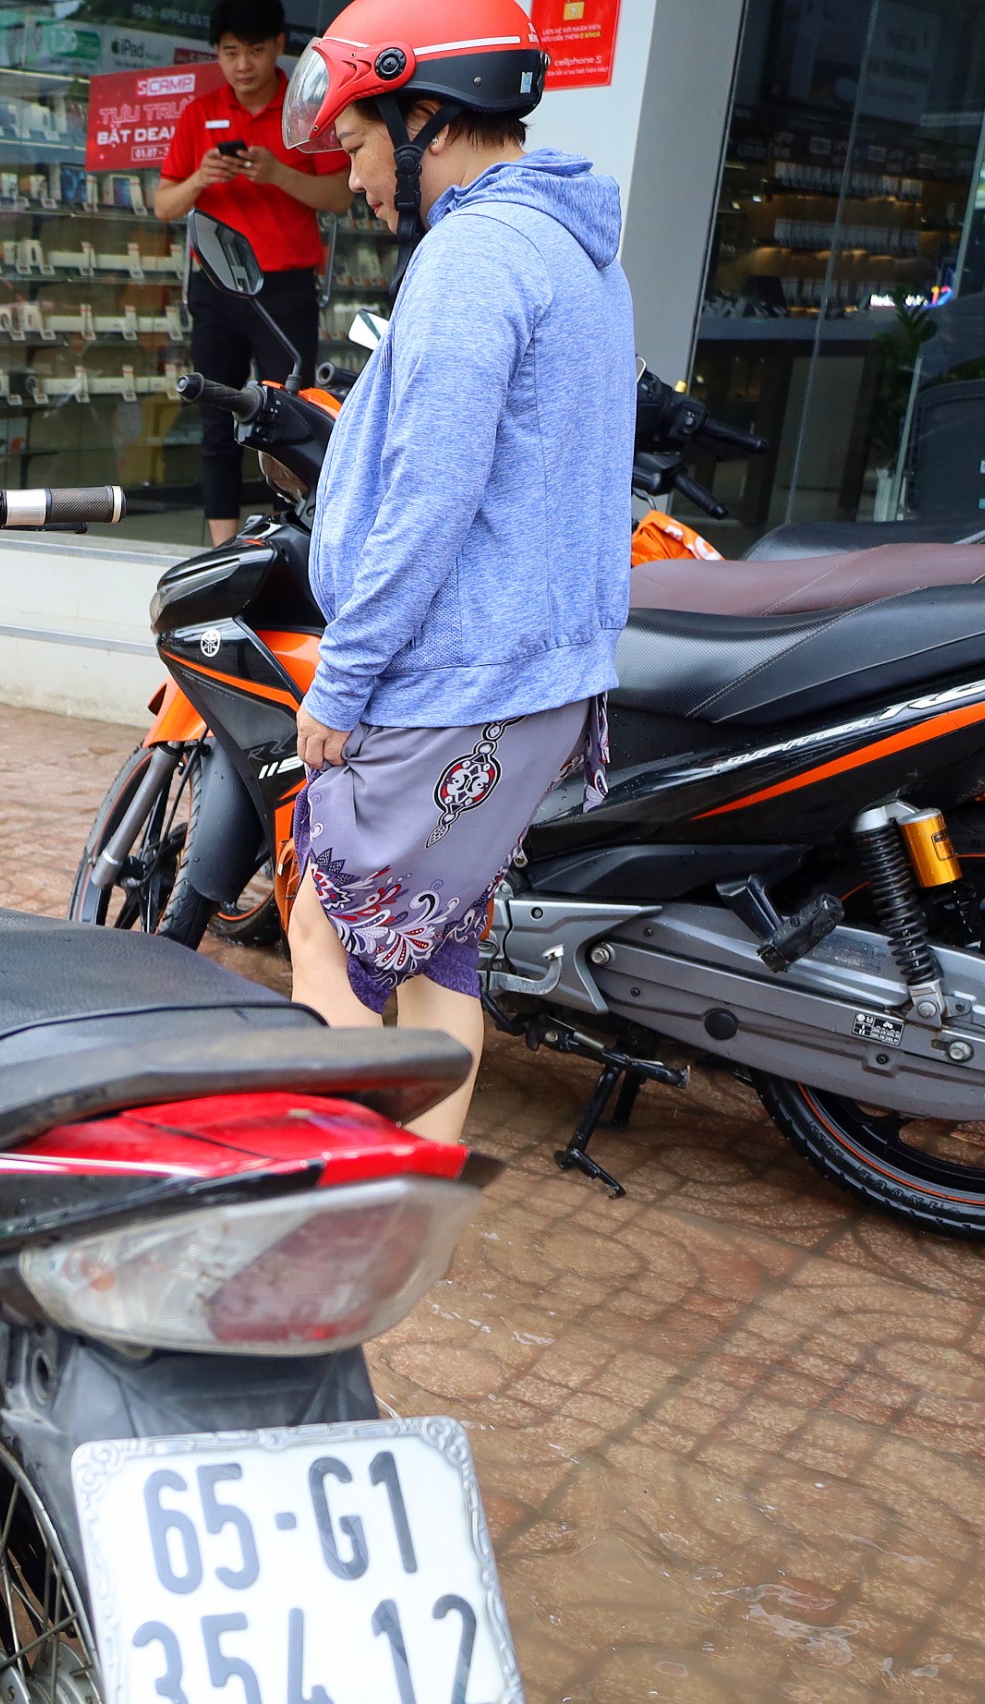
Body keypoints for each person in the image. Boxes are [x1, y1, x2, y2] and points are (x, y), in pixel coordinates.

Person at [278, 0, 630, 1146]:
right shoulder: (574, 249)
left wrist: (344, 679)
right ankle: (402, 1212)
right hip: (532, 681)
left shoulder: (473, 255)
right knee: (436, 952)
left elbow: (430, 500)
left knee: (327, 928)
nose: (361, 184)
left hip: (458, 680)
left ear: (424, 113)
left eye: (361, 147)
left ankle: (320, 1234)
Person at [154, 0, 355, 547]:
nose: (243, 64)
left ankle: (292, 541)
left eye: (256, 50)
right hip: (216, 289)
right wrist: (201, 178)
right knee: (217, 418)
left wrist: (276, 173)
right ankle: (220, 549)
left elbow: (340, 196)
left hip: (284, 288)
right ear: (217, 53)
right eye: (230, 52)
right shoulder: (199, 114)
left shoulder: (307, 109)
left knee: (290, 416)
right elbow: (165, 205)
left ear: (281, 46)